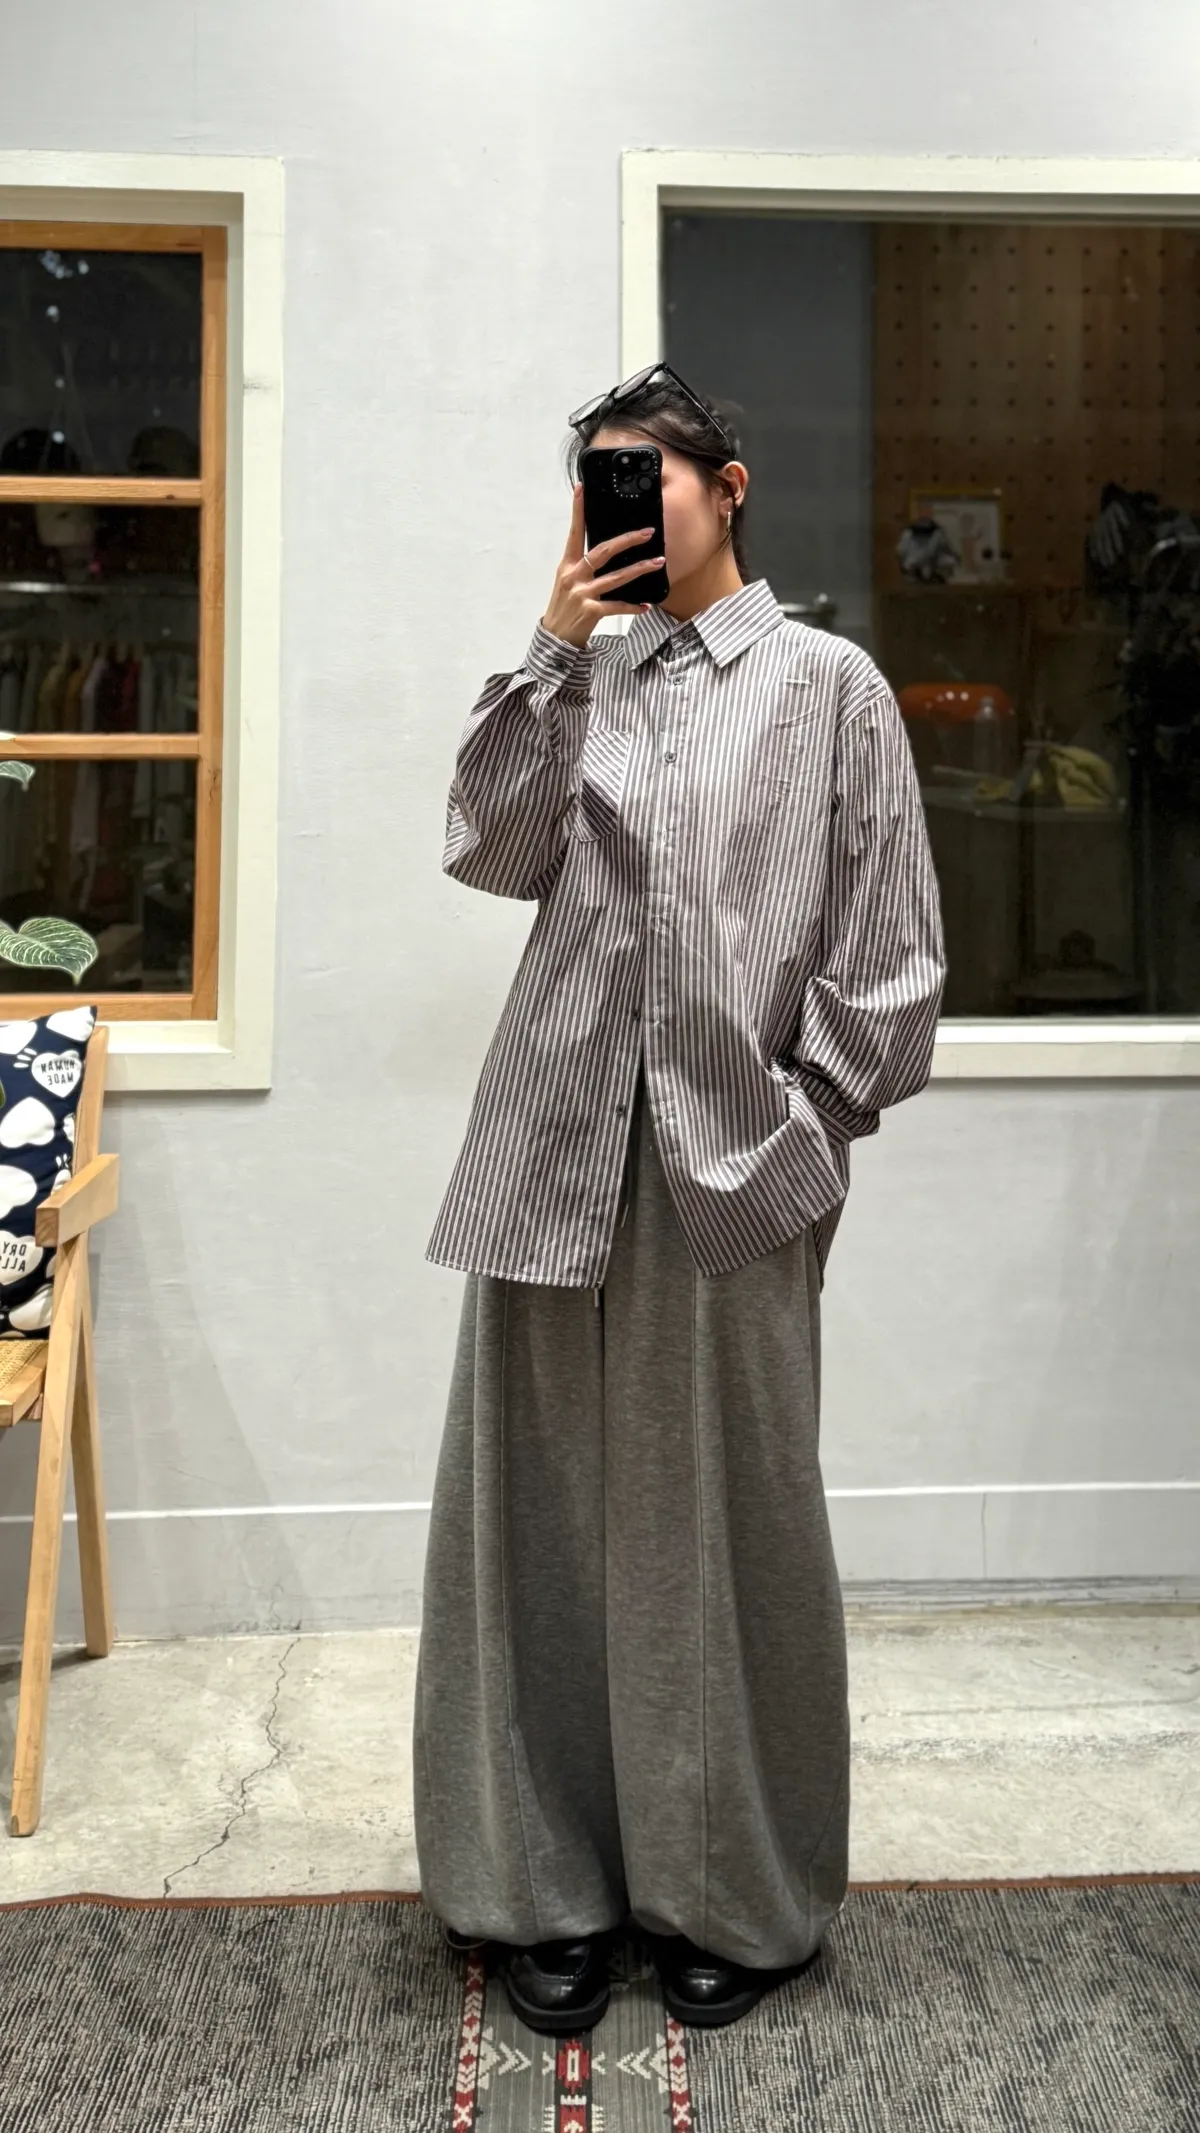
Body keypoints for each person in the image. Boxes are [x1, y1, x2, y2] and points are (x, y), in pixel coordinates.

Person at [413, 362, 946, 2033]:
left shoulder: (829, 688)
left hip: (736, 1163)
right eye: (598, 480)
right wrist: (554, 643)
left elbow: (892, 953)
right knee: (535, 1529)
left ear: (729, 487)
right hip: (550, 1147)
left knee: (736, 1528)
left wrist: (808, 1133)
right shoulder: (582, 680)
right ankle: (539, 1888)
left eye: (645, 473)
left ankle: (734, 1887)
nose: (621, 503)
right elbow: (491, 851)